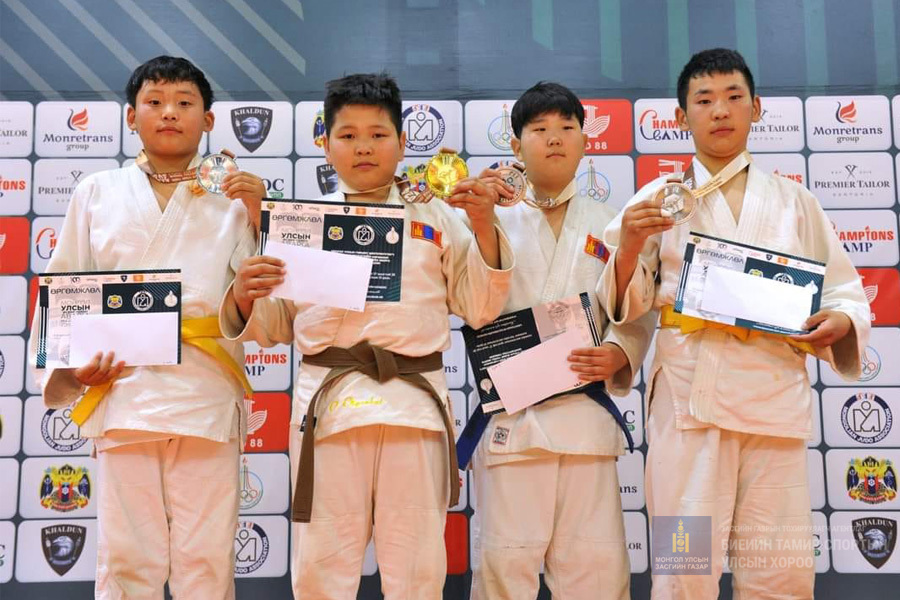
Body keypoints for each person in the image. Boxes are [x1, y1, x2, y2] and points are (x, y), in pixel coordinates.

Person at [220, 72, 515, 599]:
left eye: (378, 134)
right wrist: (245, 292)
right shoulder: (301, 223)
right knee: (322, 567)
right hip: (330, 409)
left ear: (402, 142)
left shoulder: (437, 215)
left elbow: (479, 306)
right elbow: (274, 325)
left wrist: (483, 226)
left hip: (413, 405)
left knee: (418, 568)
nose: (363, 147)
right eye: (348, 135)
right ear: (325, 144)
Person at [598, 48, 870, 599]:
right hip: (689, 403)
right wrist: (628, 245)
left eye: (733, 97)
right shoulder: (657, 201)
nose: (720, 110)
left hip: (774, 401)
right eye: (704, 100)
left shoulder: (795, 202)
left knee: (779, 571)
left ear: (756, 108)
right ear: (681, 117)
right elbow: (624, 303)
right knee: (684, 569)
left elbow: (843, 288)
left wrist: (840, 319)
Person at [31, 55, 266, 599]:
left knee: (206, 559)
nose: (169, 113)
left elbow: (267, 305)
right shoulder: (97, 191)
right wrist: (74, 369)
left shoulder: (236, 200)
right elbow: (64, 287)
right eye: (154, 102)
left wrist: (262, 216)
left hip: (205, 392)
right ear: (131, 117)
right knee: (127, 558)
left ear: (208, 120)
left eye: (185, 103)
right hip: (123, 389)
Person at [465, 81, 654, 600]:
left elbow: (637, 309)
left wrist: (619, 351)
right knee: (504, 572)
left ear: (585, 141)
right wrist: (479, 222)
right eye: (539, 129)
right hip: (512, 422)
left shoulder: (611, 222)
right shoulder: (487, 216)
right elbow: (469, 301)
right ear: (514, 145)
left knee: (597, 574)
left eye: (567, 127)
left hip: (584, 422)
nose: (554, 138)